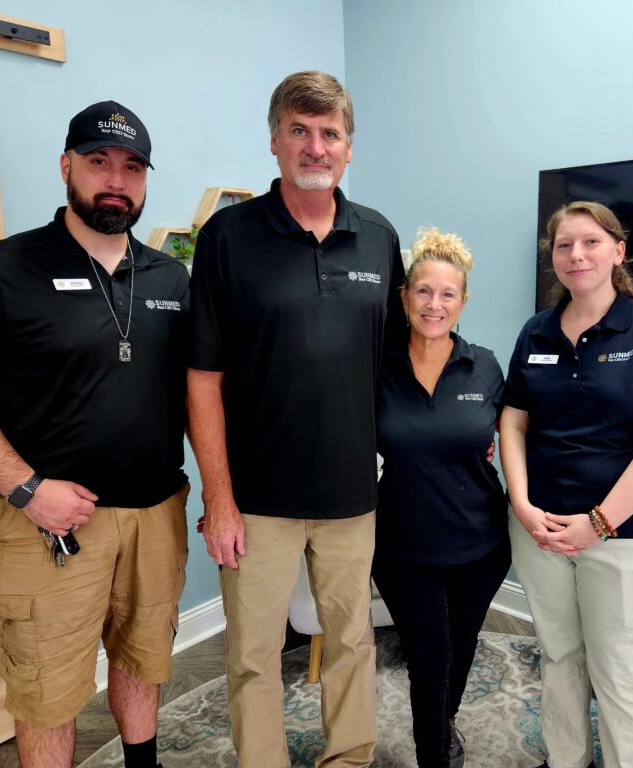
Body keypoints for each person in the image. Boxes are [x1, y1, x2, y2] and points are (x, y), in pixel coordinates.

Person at [0, 101, 190, 768]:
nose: (115, 180)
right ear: (66, 165)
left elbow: (206, 392)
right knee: (46, 691)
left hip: (158, 515)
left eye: (132, 167)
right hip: (53, 526)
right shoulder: (1, 271)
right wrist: (27, 489)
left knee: (144, 658)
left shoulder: (171, 277)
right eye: (99, 161)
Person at [187, 70, 405, 768]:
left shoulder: (378, 237)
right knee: (253, 655)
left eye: (330, 134)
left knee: (351, 640)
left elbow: (396, 365)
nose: (316, 147)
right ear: (276, 141)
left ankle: (349, 757)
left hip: (351, 491)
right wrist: (218, 498)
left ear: (349, 149)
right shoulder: (227, 238)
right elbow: (202, 379)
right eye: (301, 131)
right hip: (257, 499)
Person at [500, 201, 633, 768]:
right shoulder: (536, 330)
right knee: (559, 655)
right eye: (563, 245)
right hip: (541, 527)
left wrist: (599, 523)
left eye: (590, 242)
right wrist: (520, 501)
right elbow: (513, 419)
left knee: (619, 665)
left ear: (619, 250)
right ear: (552, 258)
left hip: (627, 535)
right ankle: (564, 759)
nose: (576, 255)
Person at [371, 228, 510, 768]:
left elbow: (517, 441)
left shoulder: (487, 366)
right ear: (404, 297)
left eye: (447, 294)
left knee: (462, 647)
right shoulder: (376, 367)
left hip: (481, 543)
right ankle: (434, 754)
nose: (434, 304)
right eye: (423, 291)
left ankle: (442, 725)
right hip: (404, 544)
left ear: (463, 302)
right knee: (429, 658)